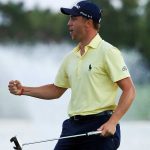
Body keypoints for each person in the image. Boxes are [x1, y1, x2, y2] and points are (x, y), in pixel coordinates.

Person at [8, 1, 136, 150]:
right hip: (72, 127)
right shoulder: (70, 57)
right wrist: (23, 90)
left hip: (101, 126)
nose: (69, 24)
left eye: (73, 19)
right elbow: (56, 90)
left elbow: (129, 90)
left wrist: (113, 122)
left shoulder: (108, 52)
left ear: (88, 22)